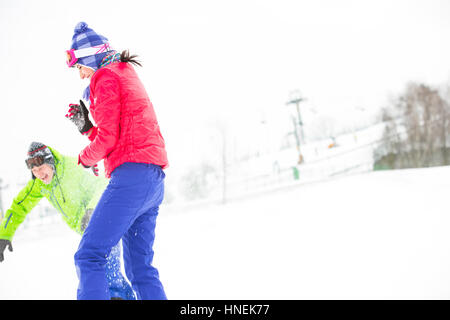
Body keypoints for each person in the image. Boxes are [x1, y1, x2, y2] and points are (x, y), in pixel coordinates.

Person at [65, 22, 169, 300]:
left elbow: (108, 140)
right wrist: (88, 128)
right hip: (152, 179)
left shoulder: (105, 77)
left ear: (88, 57)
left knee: (89, 256)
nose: (81, 75)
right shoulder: (124, 72)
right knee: (140, 269)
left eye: (79, 67)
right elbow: (119, 136)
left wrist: (83, 160)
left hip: (131, 178)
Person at [0, 142, 136, 300]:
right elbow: (19, 207)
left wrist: (92, 210)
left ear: (50, 161)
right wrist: (5, 234)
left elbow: (102, 185)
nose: (39, 174)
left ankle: (115, 296)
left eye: (41, 168)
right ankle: (121, 296)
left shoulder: (73, 168)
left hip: (105, 218)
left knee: (94, 265)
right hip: (90, 228)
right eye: (34, 171)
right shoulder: (40, 184)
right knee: (100, 269)